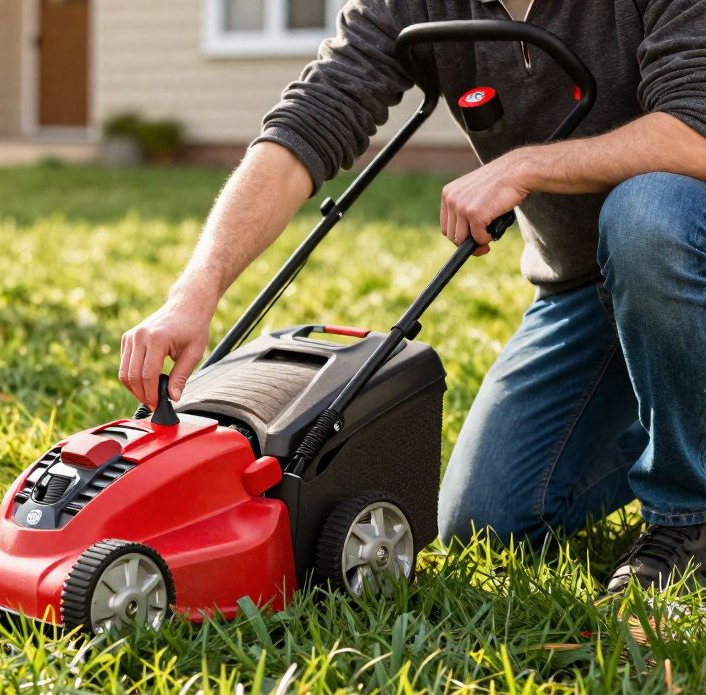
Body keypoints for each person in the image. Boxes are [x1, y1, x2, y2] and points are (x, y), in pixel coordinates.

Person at [118, 0, 706, 593]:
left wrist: (525, 165)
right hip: (582, 289)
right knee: (486, 522)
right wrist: (195, 290)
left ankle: (687, 520)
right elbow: (312, 117)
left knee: (647, 215)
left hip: (682, 253)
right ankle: (681, 419)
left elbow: (697, 131)